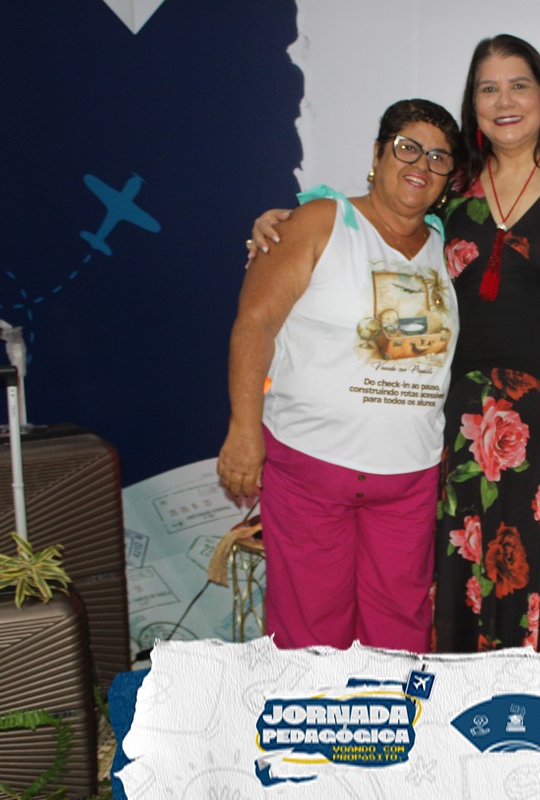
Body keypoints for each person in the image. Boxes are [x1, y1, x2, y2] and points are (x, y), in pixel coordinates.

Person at [250, 34, 540, 656]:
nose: (505, 101)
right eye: (487, 89)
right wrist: (286, 220)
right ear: (473, 106)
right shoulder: (454, 187)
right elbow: (382, 215)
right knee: (477, 581)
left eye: (519, 85)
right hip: (475, 435)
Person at [218, 99, 462, 652]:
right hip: (310, 467)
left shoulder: (448, 244)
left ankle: (385, 717)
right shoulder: (321, 221)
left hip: (409, 477)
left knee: (399, 636)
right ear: (377, 155)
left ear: (449, 177)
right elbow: (255, 323)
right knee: (309, 634)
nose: (421, 164)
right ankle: (314, 716)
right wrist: (243, 429)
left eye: (439, 157)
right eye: (407, 148)